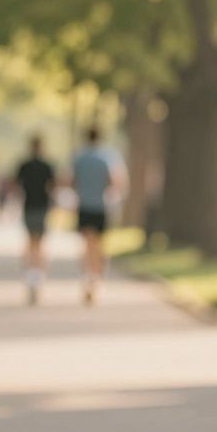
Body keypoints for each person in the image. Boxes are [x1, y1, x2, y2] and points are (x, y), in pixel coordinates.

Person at [70, 126, 126, 305]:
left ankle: (87, 278)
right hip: (100, 207)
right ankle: (96, 278)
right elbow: (114, 182)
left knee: (87, 243)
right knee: (100, 244)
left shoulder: (79, 157)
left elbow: (72, 181)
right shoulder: (107, 158)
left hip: (84, 206)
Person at [14, 135, 55, 305]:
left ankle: (30, 276)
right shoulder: (47, 166)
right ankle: (39, 276)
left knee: (30, 242)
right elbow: (53, 186)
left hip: (28, 206)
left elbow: (17, 186)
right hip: (43, 207)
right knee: (40, 244)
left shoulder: (24, 165)